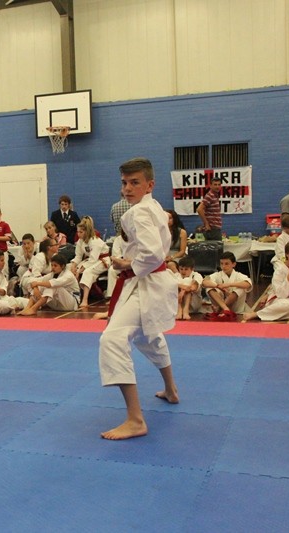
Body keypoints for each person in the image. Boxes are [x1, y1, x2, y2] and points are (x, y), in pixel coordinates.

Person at [99, 157, 179, 441]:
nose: (127, 189)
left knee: (112, 339)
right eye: (124, 183)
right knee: (149, 336)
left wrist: (127, 264)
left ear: (150, 184)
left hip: (145, 281)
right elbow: (156, 252)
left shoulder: (139, 212)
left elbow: (153, 254)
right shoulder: (155, 207)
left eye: (135, 183)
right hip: (154, 282)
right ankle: (171, 390)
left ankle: (135, 420)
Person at [243, 240, 289, 322]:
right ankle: (257, 314)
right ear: (287, 254)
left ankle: (272, 314)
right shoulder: (279, 270)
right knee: (288, 305)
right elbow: (281, 295)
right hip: (278, 300)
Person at [70, 217, 110, 308]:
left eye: (81, 232)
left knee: (88, 272)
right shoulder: (80, 241)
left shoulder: (95, 241)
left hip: (103, 261)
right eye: (77, 232)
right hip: (91, 261)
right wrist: (73, 266)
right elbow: (78, 256)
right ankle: (75, 296)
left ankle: (85, 300)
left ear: (86, 232)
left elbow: (93, 259)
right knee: (70, 269)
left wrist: (80, 270)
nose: (78, 234)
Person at [201, 252, 252, 321]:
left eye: (226, 264)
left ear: (234, 264)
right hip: (221, 306)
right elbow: (204, 282)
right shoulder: (217, 275)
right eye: (221, 264)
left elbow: (248, 284)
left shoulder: (239, 275)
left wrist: (229, 284)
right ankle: (225, 308)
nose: (223, 266)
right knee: (209, 287)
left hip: (236, 309)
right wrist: (217, 286)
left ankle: (220, 308)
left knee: (241, 289)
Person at [174, 256, 203, 320]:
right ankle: (179, 309)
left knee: (187, 281)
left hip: (193, 304)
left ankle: (185, 310)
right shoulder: (176, 276)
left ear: (192, 269)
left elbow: (193, 288)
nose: (183, 271)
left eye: (186, 269)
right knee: (174, 286)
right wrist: (181, 287)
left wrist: (183, 291)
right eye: (181, 269)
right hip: (178, 303)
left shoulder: (196, 275)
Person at [196, 176, 223, 240]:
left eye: (219, 184)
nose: (217, 186)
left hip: (215, 228)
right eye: (215, 184)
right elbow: (199, 209)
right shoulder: (210, 195)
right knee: (217, 246)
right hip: (212, 229)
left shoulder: (215, 195)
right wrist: (206, 224)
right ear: (210, 185)